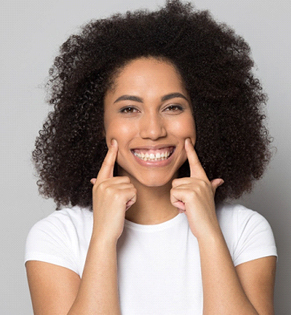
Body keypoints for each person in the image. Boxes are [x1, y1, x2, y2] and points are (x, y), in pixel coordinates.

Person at [25, 1, 277, 314]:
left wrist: (210, 235)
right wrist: (103, 239)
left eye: (173, 107)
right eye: (129, 109)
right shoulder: (58, 237)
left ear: (204, 117)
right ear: (97, 124)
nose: (153, 130)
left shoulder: (244, 229)